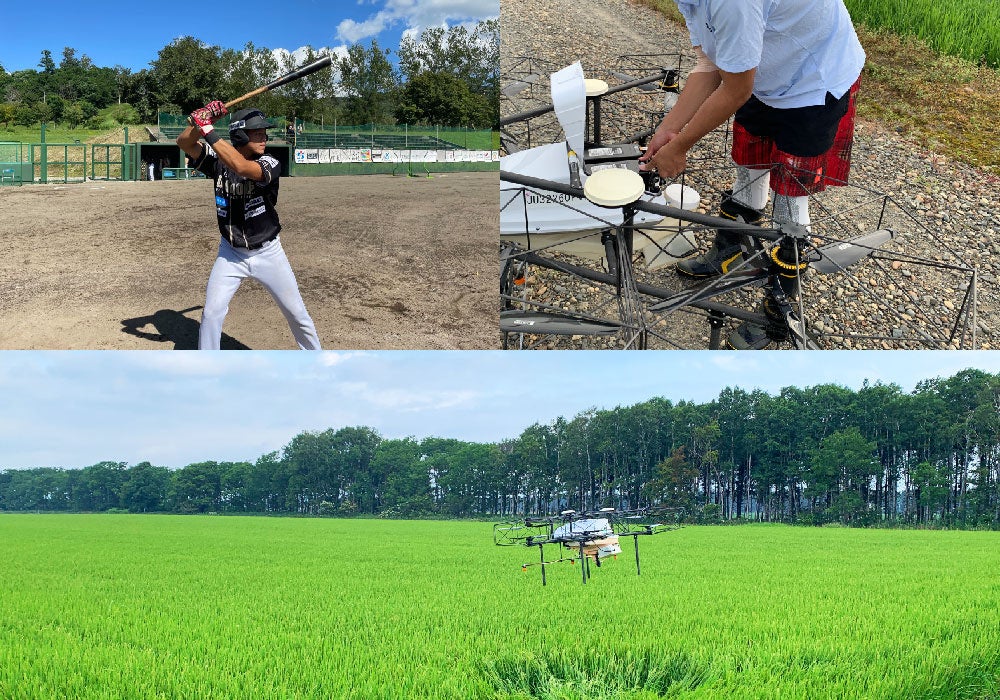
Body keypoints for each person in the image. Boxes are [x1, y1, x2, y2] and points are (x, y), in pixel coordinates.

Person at [639, 0, 865, 349]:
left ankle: (780, 311)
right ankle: (732, 252)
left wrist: (681, 146)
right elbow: (711, 65)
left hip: (814, 81)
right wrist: (668, 129)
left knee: (790, 197)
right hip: (760, 69)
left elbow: (735, 89)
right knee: (749, 164)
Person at [177, 102, 321, 350]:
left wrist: (207, 128)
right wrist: (200, 122)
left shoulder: (270, 162)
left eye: (264, 132)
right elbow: (184, 144)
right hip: (230, 252)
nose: (264, 137)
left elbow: (242, 167)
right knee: (211, 314)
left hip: (268, 252)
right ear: (241, 135)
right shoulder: (217, 162)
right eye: (257, 133)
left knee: (297, 314)